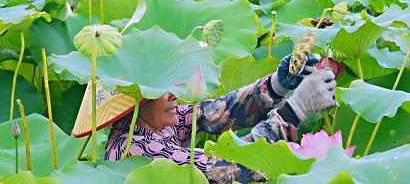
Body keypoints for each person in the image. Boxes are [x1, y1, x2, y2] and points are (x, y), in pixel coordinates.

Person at [104, 54, 336, 183]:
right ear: (136, 98)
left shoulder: (151, 121)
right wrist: (294, 110)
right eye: (161, 89)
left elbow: (219, 112)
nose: (174, 94)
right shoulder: (133, 148)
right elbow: (223, 169)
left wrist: (277, 84)